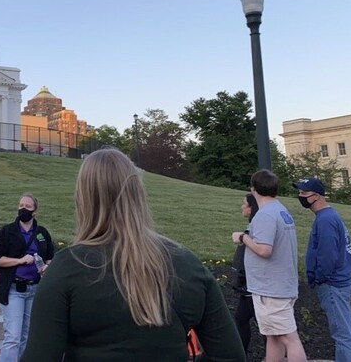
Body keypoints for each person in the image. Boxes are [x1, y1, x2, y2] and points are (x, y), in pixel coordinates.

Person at [23, 148, 245, 362]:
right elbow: (230, 355)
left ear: (83, 200)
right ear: (138, 193)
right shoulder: (186, 263)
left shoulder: (67, 268)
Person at [232, 169, 307, 362]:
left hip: (271, 288)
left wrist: (242, 237)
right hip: (278, 285)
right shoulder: (281, 210)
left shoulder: (265, 214)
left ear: (254, 189)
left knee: (289, 338)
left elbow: (265, 250)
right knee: (273, 336)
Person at [294, 177, 351, 362]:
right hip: (341, 282)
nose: (300, 196)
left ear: (316, 196)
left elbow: (328, 256)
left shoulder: (325, 220)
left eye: (304, 193)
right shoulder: (329, 216)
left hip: (332, 284)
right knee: (348, 332)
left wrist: (318, 277)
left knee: (342, 335)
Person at [0, 192, 54, 362]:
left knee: (26, 335)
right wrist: (20, 260)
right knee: (13, 337)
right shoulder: (7, 231)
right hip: (13, 290)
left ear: (35, 211)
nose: (23, 209)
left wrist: (47, 266)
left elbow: (50, 255)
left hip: (34, 290)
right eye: (21, 206)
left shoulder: (41, 233)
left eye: (27, 206)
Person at [231, 194, 260, 360]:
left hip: (252, 287)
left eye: (244, 204)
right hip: (247, 287)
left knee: (263, 325)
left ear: (251, 208)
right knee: (240, 319)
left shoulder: (255, 230)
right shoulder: (253, 227)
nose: (242, 207)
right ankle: (241, 355)